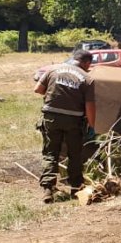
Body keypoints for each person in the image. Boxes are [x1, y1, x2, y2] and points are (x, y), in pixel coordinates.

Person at [34, 49, 96, 203]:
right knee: (74, 154)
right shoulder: (87, 79)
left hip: (51, 118)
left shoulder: (53, 69)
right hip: (73, 121)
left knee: (50, 153)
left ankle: (48, 190)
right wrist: (92, 126)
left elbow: (38, 89)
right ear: (86, 63)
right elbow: (90, 107)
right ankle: (75, 188)